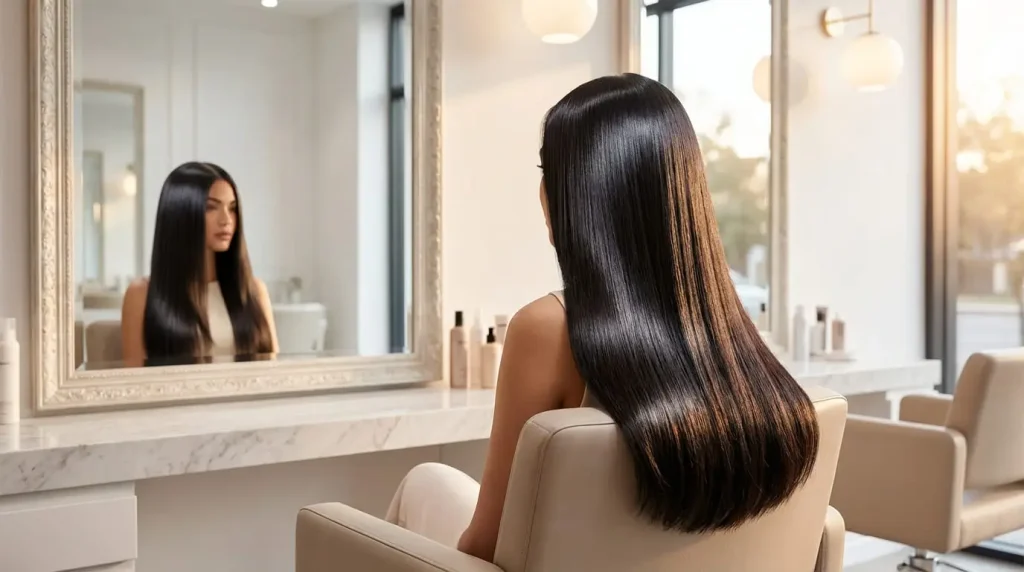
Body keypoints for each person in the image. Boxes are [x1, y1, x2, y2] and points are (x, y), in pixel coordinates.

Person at [384, 74, 821, 562]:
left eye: (548, 171)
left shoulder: (546, 329)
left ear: (574, 196)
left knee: (421, 484)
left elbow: (486, 546)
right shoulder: (735, 345)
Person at [121, 161, 278, 366]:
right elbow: (134, 386)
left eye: (232, 208)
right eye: (211, 207)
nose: (226, 220)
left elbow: (273, 372)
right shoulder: (142, 295)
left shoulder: (255, 291)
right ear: (180, 214)